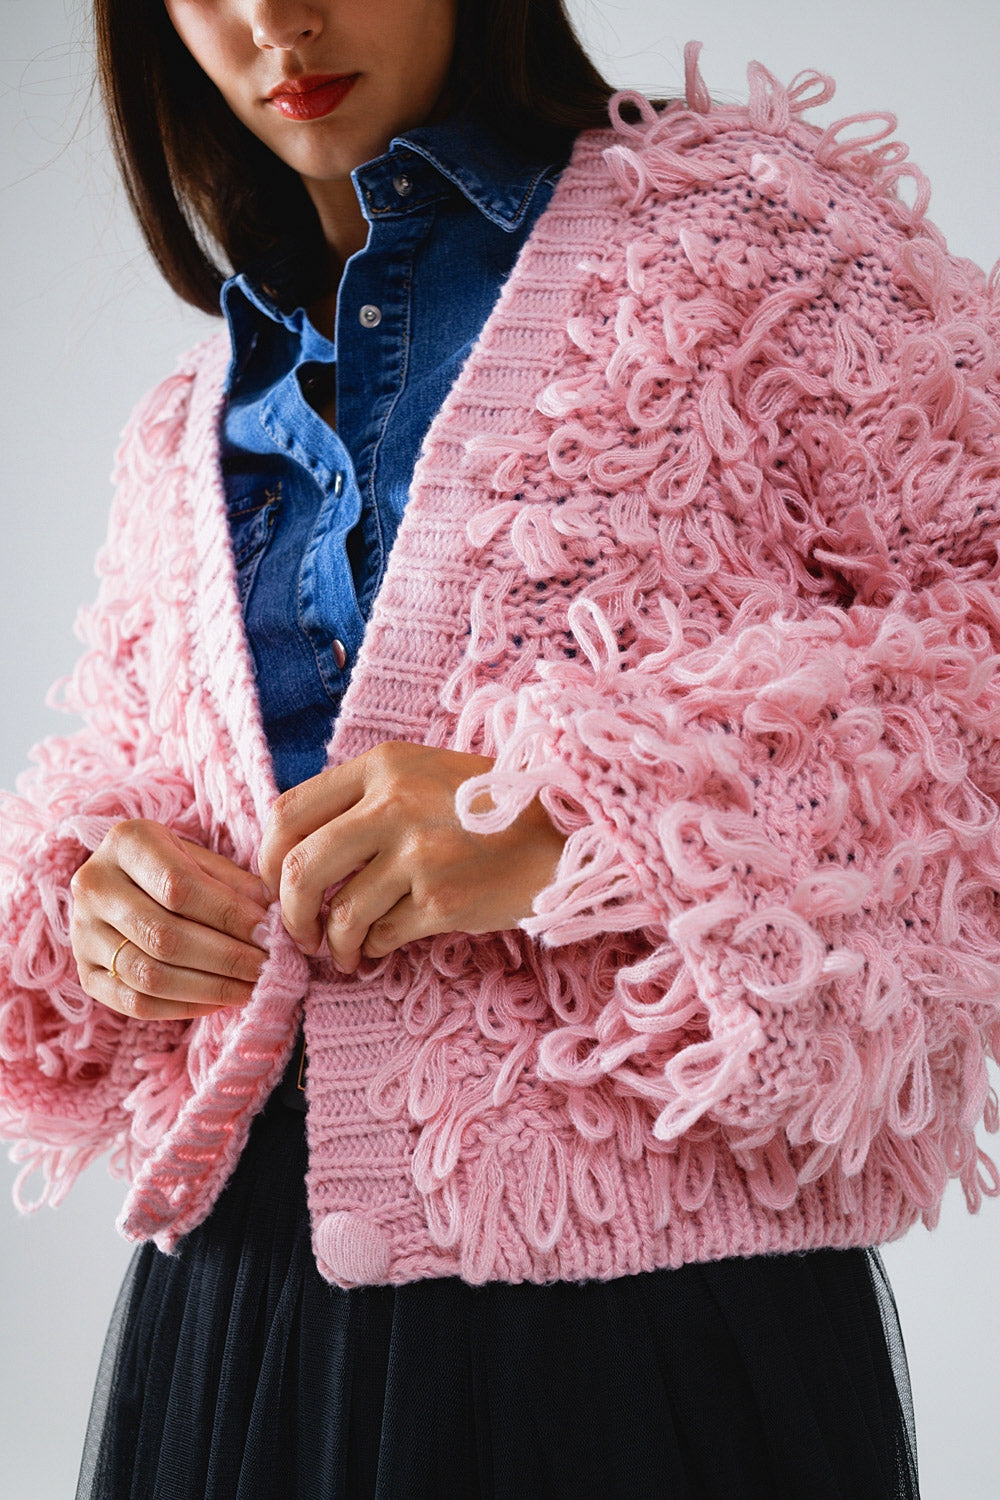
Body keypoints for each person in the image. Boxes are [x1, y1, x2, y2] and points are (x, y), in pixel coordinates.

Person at [3, 0, 1000, 1493]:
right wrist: (101, 903)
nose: (278, 16)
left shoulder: (755, 243)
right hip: (243, 1339)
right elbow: (140, 793)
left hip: (648, 1353)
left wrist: (579, 828)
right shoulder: (191, 421)